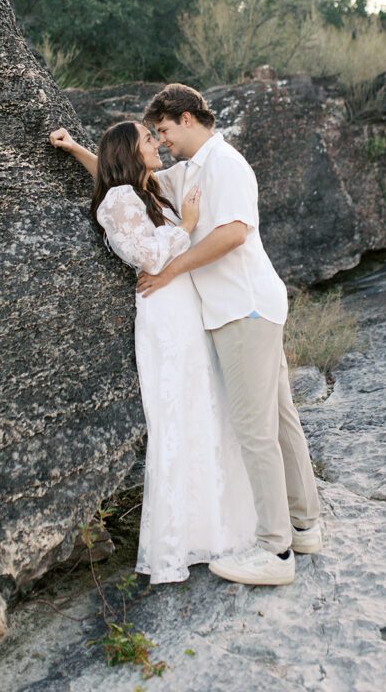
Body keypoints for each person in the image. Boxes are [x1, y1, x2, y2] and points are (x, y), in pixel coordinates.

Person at [49, 120, 257, 584]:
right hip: (164, 314)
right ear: (130, 152)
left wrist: (73, 148)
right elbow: (148, 257)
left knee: (207, 410)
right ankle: (180, 542)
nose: (158, 143)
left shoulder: (145, 191)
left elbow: (108, 174)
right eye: (149, 139)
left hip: (184, 306)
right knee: (179, 417)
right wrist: (185, 224)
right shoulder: (120, 199)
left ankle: (220, 528)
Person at [137, 83, 323, 586]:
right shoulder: (190, 172)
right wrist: (76, 151)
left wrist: (172, 269)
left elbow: (233, 232)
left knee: (254, 429)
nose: (163, 140)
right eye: (156, 135)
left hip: (244, 309)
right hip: (246, 309)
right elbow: (128, 179)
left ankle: (274, 552)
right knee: (281, 421)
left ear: (187, 118)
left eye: (164, 129)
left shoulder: (226, 165)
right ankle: (305, 527)